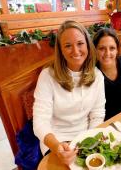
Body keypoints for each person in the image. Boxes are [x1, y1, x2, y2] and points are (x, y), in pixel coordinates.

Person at [33, 20, 106, 165]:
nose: (76, 51)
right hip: (56, 141)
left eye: (80, 43)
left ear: (87, 45)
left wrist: (88, 141)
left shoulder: (97, 75)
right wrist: (57, 147)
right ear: (60, 50)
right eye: (67, 46)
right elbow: (40, 122)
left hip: (87, 138)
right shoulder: (47, 76)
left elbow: (97, 114)